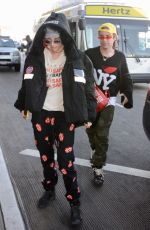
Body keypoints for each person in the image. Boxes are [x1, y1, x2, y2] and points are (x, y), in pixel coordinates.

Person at [14, 12, 96, 226]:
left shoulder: (79, 58)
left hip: (64, 115)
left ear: (66, 37)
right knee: (45, 157)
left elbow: (89, 89)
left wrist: (88, 113)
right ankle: (49, 189)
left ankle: (74, 203)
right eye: (48, 41)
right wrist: (24, 105)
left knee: (66, 163)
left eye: (57, 41)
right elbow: (27, 83)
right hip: (41, 114)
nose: (53, 46)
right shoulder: (35, 56)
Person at [85, 23, 133, 186]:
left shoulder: (120, 57)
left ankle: (98, 169)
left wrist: (126, 93)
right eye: (102, 36)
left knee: (102, 135)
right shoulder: (89, 54)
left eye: (108, 36)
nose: (105, 40)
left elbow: (125, 77)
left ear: (114, 38)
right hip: (90, 102)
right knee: (92, 132)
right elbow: (78, 70)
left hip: (108, 102)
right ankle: (94, 150)